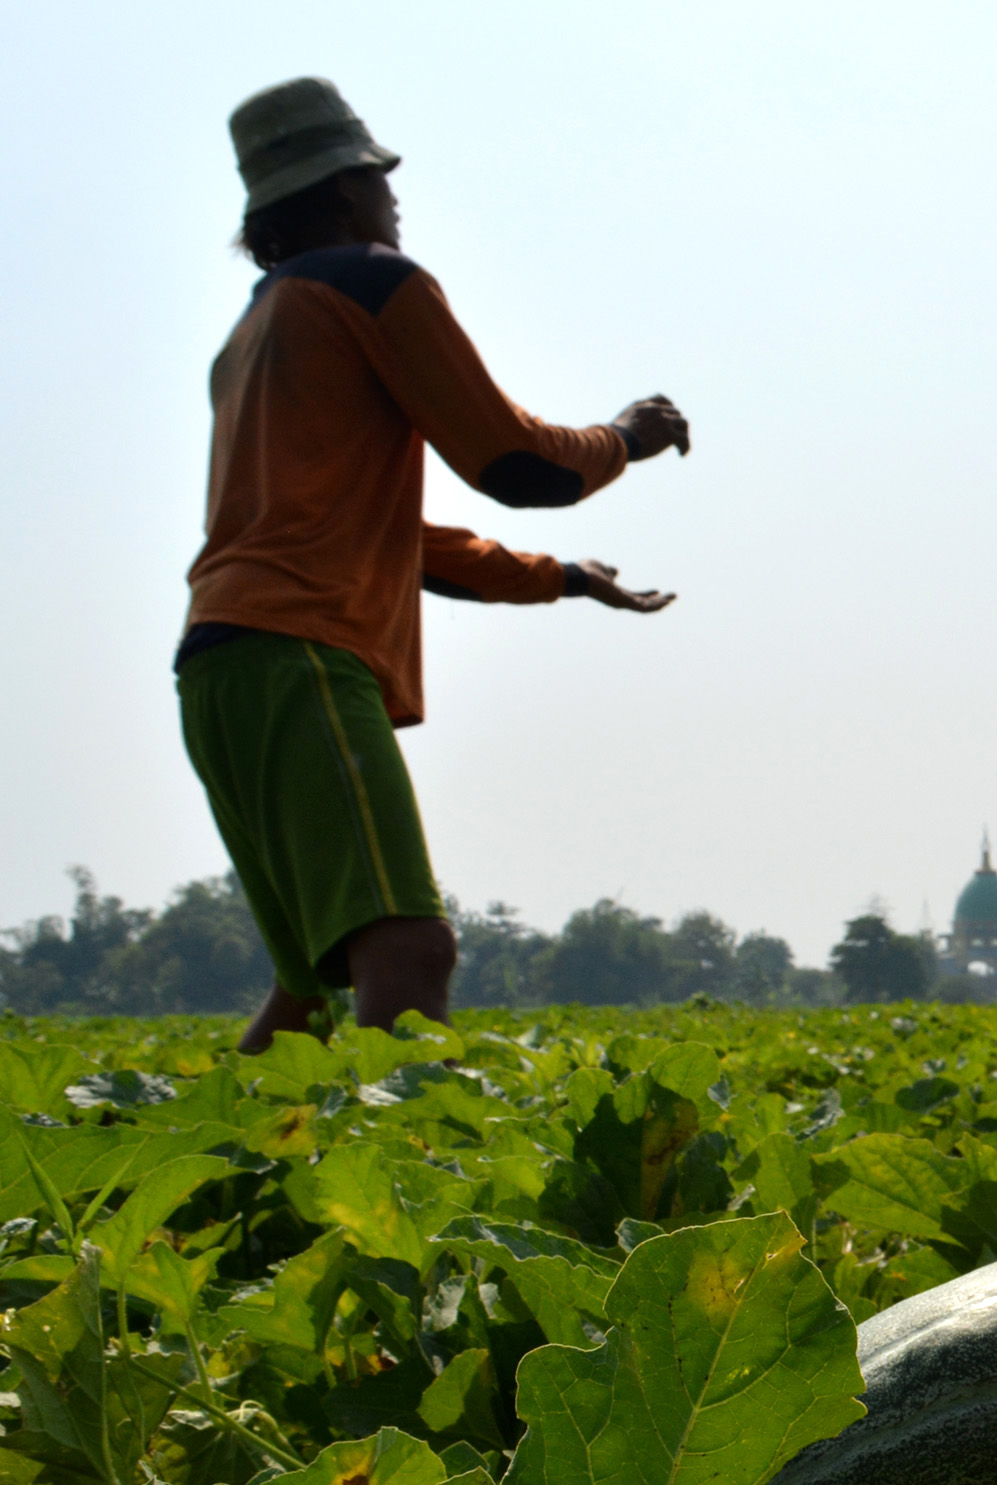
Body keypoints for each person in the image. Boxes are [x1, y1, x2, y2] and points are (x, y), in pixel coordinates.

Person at [181, 77, 691, 1054]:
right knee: (410, 951)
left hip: (220, 667)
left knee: (307, 998)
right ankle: (411, 1178)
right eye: (378, 178)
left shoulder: (255, 333)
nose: (394, 198)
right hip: (300, 654)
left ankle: (187, 1201)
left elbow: (396, 543)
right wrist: (625, 437)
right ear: (339, 193)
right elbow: (519, 464)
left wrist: (567, 577)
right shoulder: (370, 281)